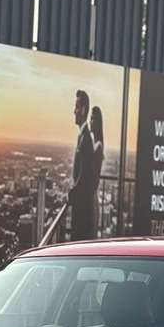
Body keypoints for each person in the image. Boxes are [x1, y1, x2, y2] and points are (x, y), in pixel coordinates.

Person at [69, 90, 95, 240]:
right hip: (82, 209)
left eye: (77, 107)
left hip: (82, 212)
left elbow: (84, 175)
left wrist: (72, 193)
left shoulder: (86, 139)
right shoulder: (83, 136)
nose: (74, 111)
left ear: (84, 109)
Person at [90, 106, 104, 235]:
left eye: (93, 119)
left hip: (91, 199)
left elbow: (95, 180)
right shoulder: (95, 144)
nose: (90, 122)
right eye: (90, 118)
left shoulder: (98, 146)